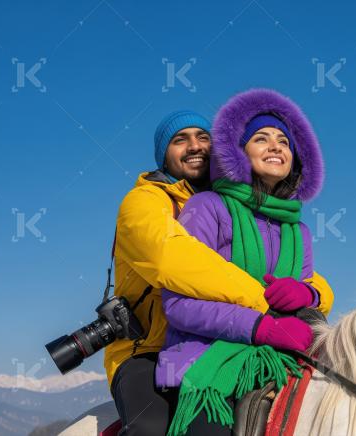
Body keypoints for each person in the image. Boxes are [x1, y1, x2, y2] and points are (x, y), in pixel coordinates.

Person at [106, 109, 334, 436]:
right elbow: (171, 261)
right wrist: (266, 309)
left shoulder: (266, 218)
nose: (195, 146)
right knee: (149, 426)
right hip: (149, 347)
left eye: (203, 138)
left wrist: (311, 295)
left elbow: (304, 280)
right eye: (180, 140)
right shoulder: (148, 202)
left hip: (228, 334)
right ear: (163, 155)